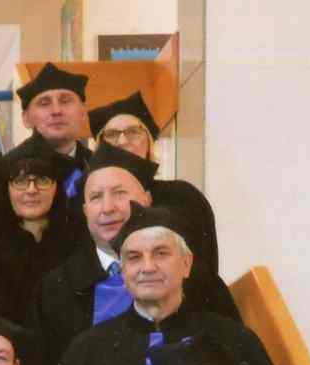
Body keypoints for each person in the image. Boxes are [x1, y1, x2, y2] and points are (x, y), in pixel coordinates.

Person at [49, 206, 271, 365]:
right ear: (123, 272)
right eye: (134, 258)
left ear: (186, 264)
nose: (147, 267)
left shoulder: (234, 340)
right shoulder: (88, 348)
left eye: (160, 253)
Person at [33, 143, 240, 365]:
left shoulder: (196, 279)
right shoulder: (56, 290)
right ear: (85, 211)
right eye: (95, 197)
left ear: (147, 200)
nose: (107, 208)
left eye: (120, 193)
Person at [85, 92, 221, 285]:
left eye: (133, 131)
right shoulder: (90, 205)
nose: (122, 141)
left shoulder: (183, 196)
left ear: (149, 142)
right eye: (112, 135)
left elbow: (205, 267)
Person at [0, 136, 79, 319]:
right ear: (7, 189)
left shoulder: (78, 244)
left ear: (57, 189)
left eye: (43, 180)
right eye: (20, 181)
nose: (31, 190)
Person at [16, 62, 92, 195]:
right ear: (26, 118)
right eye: (44, 103)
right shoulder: (10, 168)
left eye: (65, 101)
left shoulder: (99, 165)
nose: (56, 111)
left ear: (83, 112)